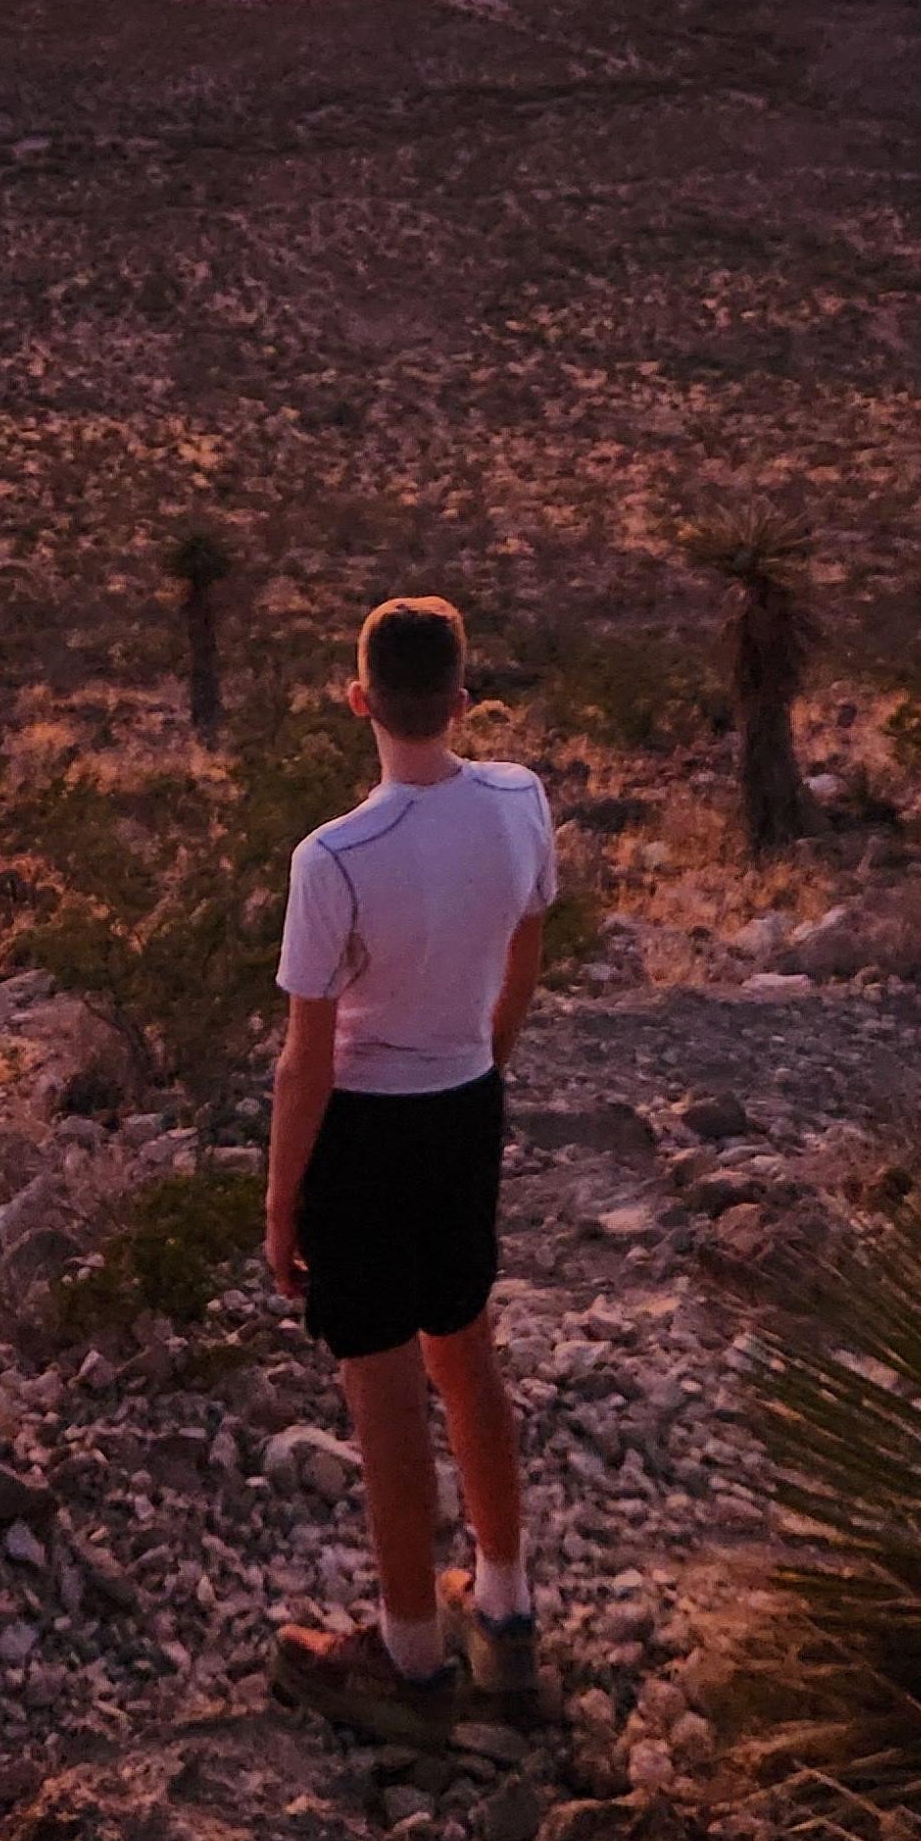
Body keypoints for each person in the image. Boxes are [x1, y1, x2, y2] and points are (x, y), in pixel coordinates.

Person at [264, 594, 555, 1741]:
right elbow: (529, 929)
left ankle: (409, 1657)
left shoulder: (333, 856)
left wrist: (282, 1199)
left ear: (358, 703)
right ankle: (505, 1607)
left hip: (368, 1134)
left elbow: (305, 1055)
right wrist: (489, 1047)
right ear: (463, 698)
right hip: (463, 1106)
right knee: (466, 1354)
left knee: (382, 1394)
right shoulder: (518, 799)